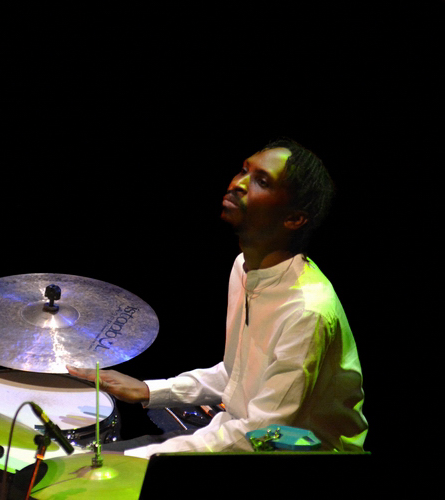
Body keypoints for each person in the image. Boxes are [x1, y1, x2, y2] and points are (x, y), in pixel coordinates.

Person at [68, 138, 368, 456]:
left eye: (262, 181)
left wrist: (139, 459)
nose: (239, 183)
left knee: (103, 468)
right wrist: (149, 390)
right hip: (241, 434)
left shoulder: (307, 312)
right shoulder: (243, 269)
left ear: (294, 218)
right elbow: (237, 375)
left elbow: (262, 436)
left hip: (300, 453)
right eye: (244, 170)